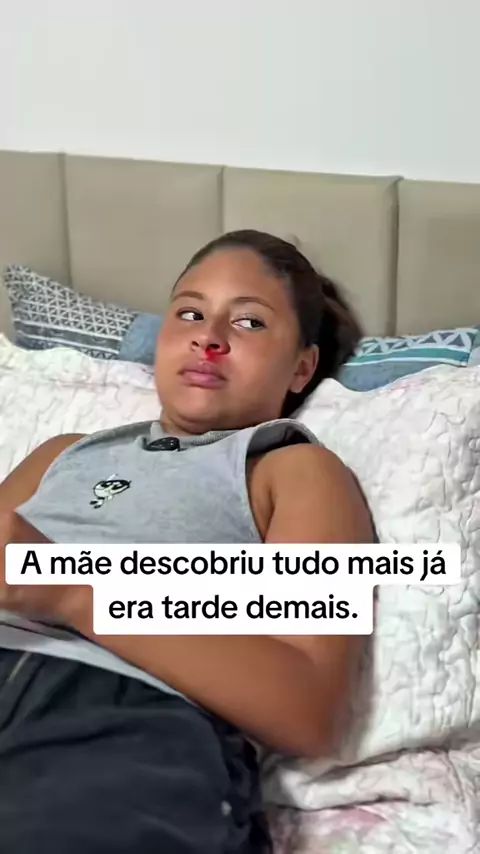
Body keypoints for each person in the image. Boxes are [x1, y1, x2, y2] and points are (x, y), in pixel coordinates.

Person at [0, 230, 373, 853]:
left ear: (302, 367)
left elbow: (311, 708)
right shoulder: (61, 454)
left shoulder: (291, 470)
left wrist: (73, 591)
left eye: (250, 322)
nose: (209, 337)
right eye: (191, 313)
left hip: (112, 715)